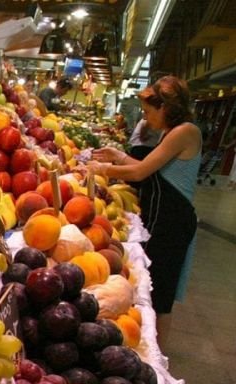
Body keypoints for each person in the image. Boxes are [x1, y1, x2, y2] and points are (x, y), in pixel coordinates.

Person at [90, 76, 201, 345]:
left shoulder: (185, 131)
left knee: (160, 293)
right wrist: (117, 157)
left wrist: (103, 170)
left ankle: (158, 355)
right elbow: (152, 169)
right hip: (162, 215)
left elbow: (140, 172)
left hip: (173, 219)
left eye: (149, 111)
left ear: (166, 108)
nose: (146, 117)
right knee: (153, 287)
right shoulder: (171, 132)